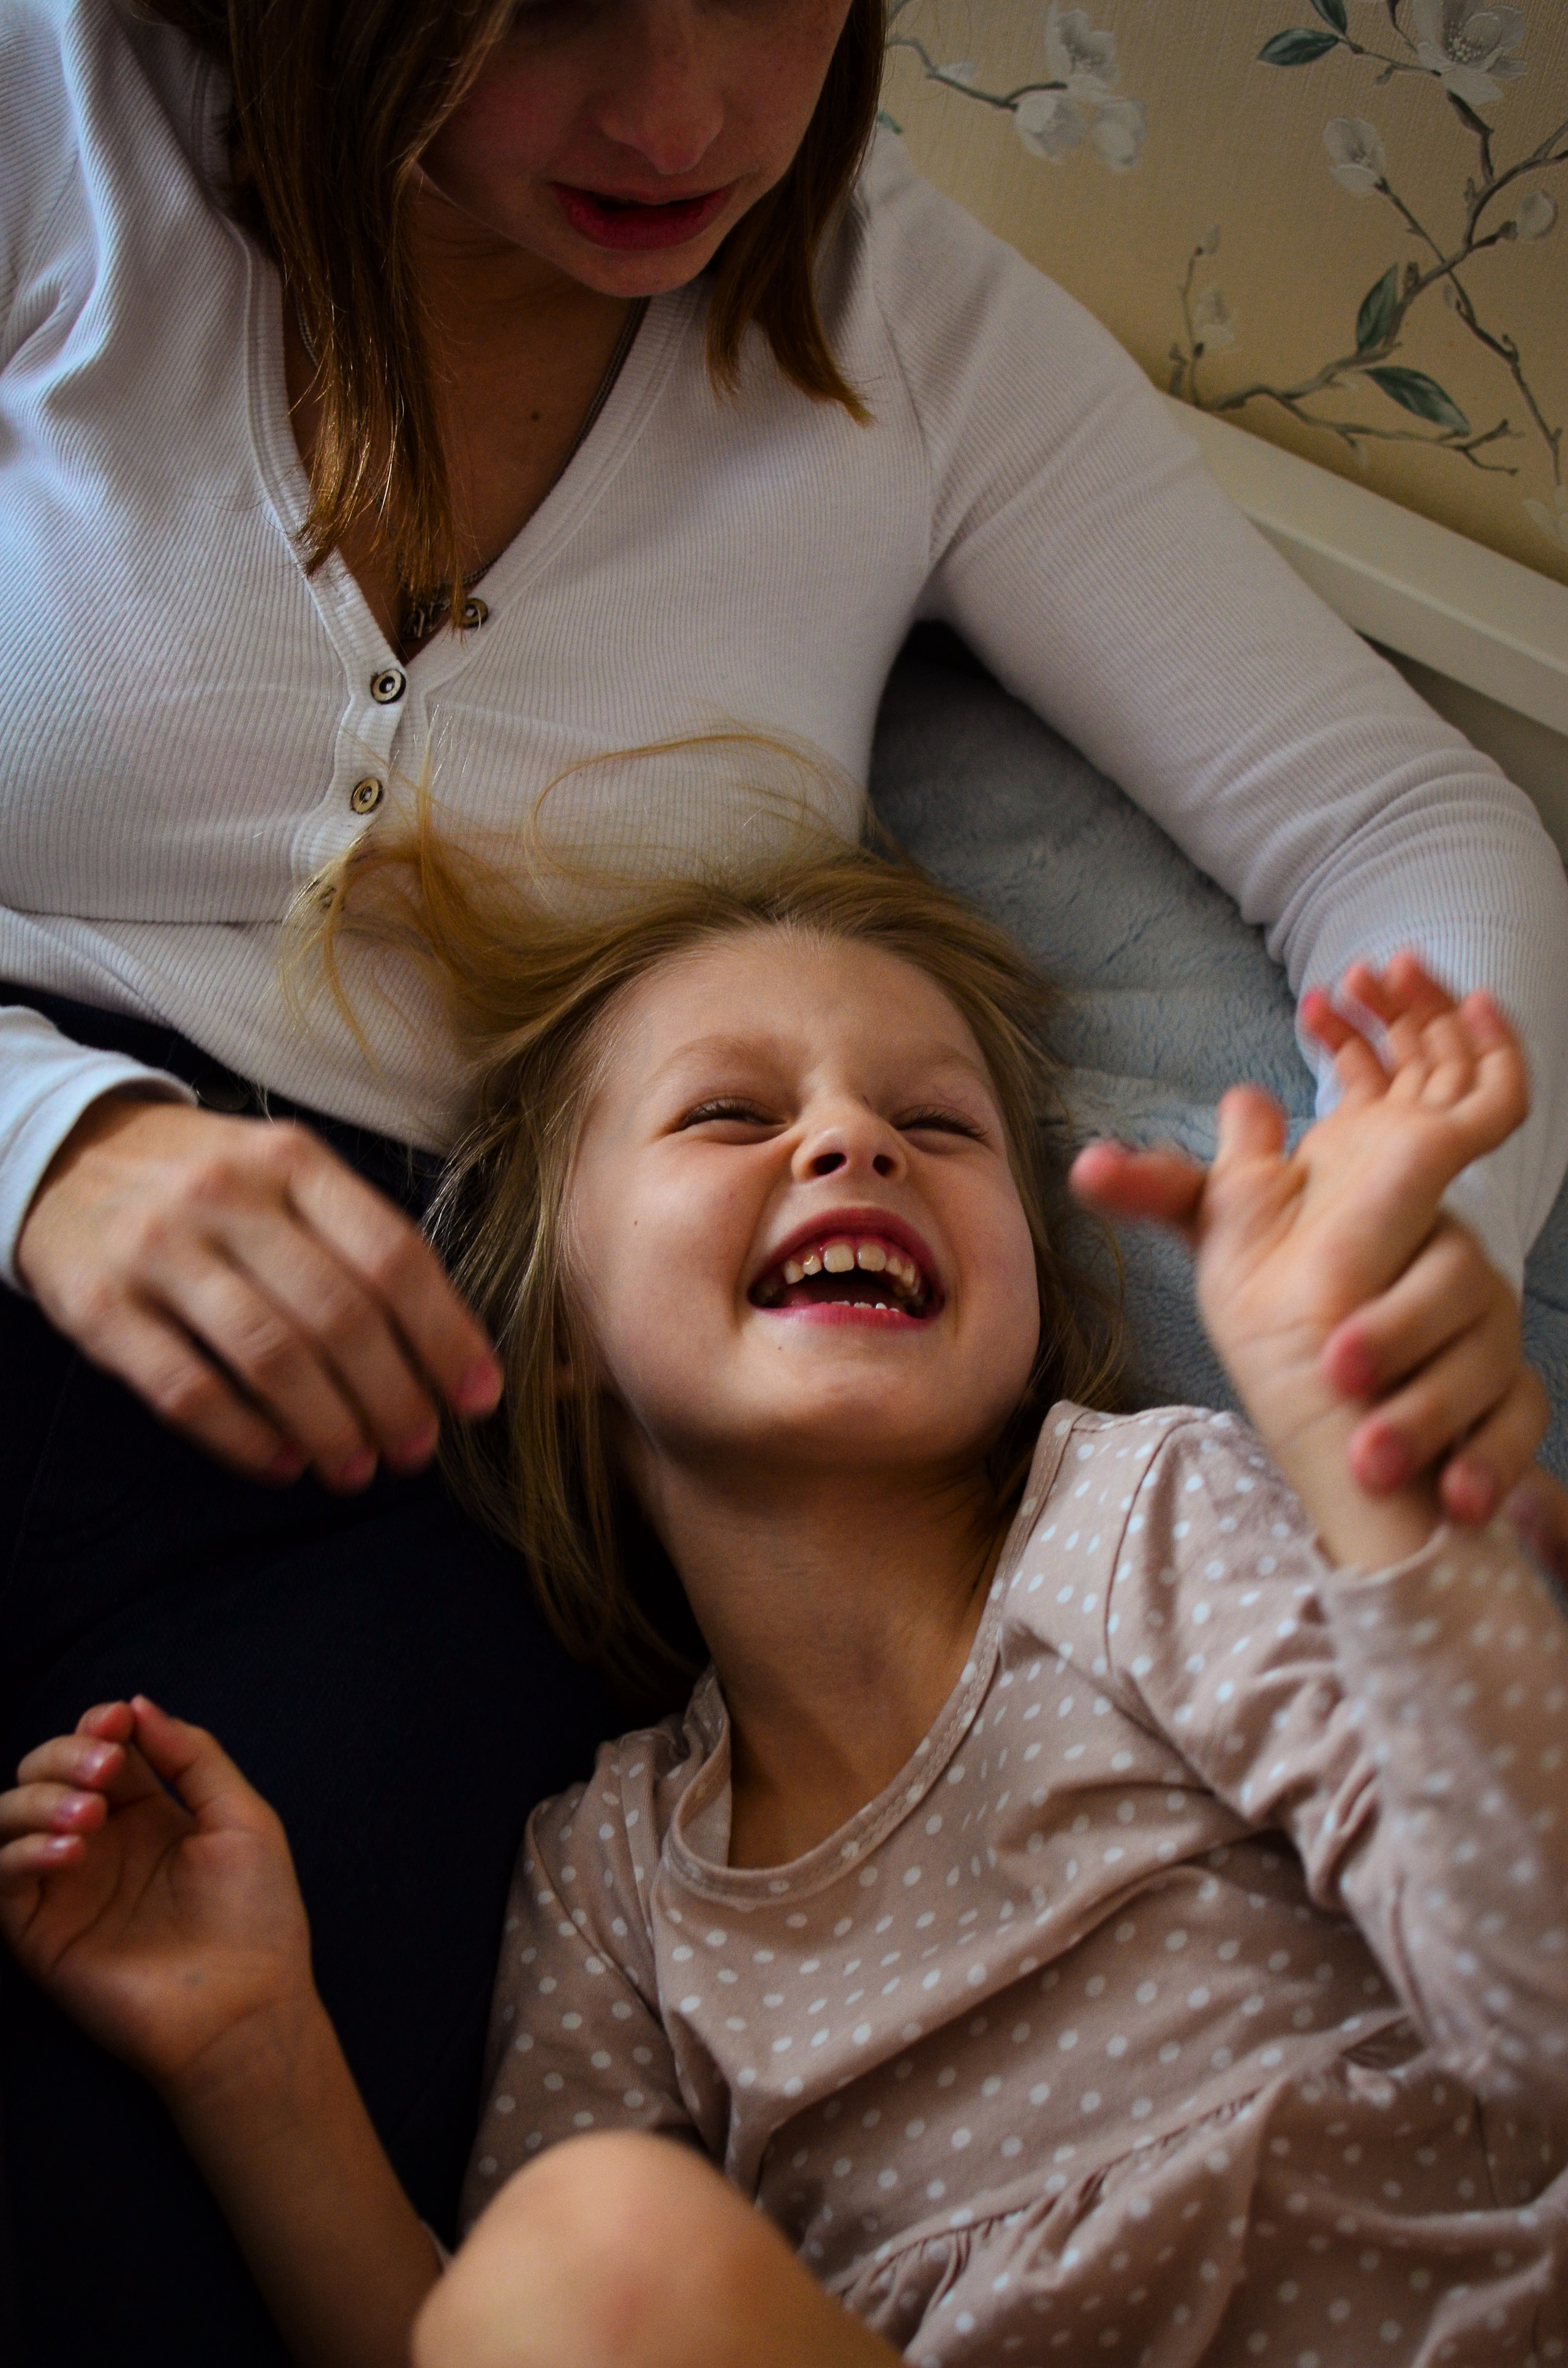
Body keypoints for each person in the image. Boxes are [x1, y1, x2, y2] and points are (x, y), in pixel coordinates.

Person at [4, 0, 1567, 2348]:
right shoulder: (44, 123)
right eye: (545, 11)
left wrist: (1362, 1304)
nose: (686, 118)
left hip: (431, 1452)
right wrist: (49, 1140)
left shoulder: (1159, 1544)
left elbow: (1403, 820)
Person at [4, 830, 1565, 2368]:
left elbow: (1542, 2007)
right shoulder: (608, 1883)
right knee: (584, 2268)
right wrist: (252, 2051)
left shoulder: (1145, 1515)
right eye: (729, 1113)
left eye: (937, 1126)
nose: (850, 1143)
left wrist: (1345, 1441)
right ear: (557, 1319)